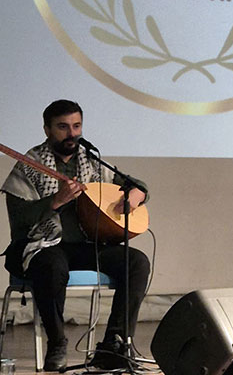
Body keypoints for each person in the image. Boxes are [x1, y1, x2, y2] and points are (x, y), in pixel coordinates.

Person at [1, 100, 151, 371]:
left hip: (87, 244)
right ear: (47, 129)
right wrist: (54, 202)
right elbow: (20, 219)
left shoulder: (91, 162)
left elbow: (134, 185)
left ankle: (114, 345)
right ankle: (57, 343)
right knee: (52, 265)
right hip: (43, 245)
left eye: (76, 126)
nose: (72, 133)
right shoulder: (29, 166)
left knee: (136, 261)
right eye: (63, 127)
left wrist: (138, 193)